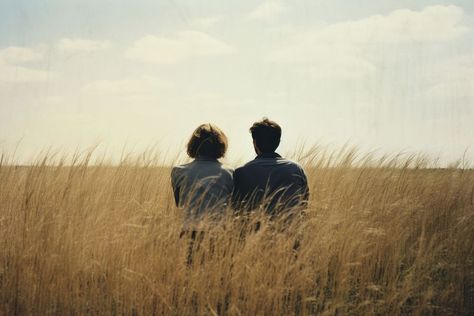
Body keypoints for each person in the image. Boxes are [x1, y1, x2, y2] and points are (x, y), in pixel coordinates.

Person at [232, 118, 309, 216]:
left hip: (253, 229)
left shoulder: (241, 172)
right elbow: (304, 205)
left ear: (254, 142)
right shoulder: (296, 169)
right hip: (290, 229)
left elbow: (236, 209)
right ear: (278, 142)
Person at [171, 123, 233, 230]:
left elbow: (179, 204)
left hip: (188, 231)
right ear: (220, 145)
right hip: (219, 232)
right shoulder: (229, 172)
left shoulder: (179, 171)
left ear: (193, 145)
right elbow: (232, 206)